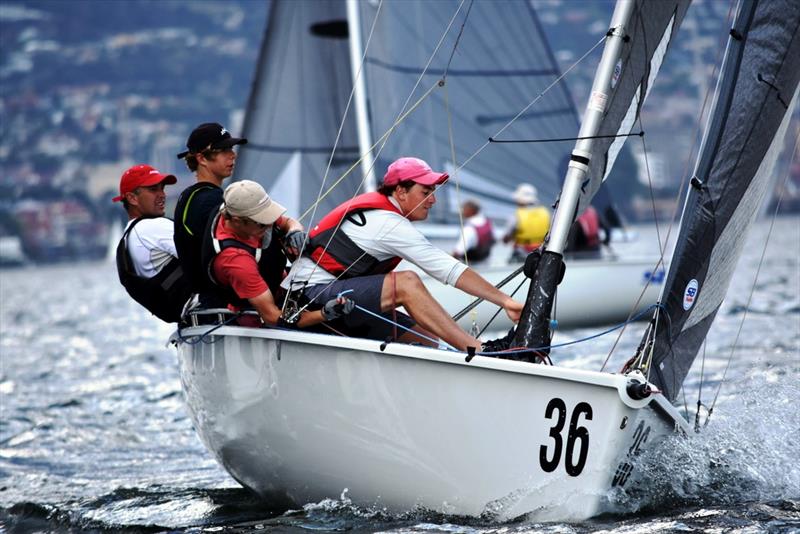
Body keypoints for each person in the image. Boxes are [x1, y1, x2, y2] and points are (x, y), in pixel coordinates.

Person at [283, 157, 524, 353]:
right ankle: (479, 351)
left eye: (433, 191)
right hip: (303, 299)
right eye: (425, 192)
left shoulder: (387, 215)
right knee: (406, 283)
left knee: (428, 339)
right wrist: (505, 301)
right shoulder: (388, 223)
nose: (433, 199)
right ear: (400, 191)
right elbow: (447, 269)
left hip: (329, 294)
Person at [173, 122, 305, 302]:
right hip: (239, 305)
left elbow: (284, 222)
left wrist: (294, 230)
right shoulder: (209, 201)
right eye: (224, 150)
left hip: (241, 298)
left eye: (232, 148)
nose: (233, 155)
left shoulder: (194, 196)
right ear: (202, 159)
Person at [202, 180, 352, 328]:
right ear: (237, 221)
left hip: (282, 283)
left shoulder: (236, 209)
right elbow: (273, 317)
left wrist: (295, 231)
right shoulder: (236, 261)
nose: (269, 225)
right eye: (262, 222)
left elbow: (287, 222)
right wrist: (324, 313)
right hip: (260, 314)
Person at [114, 164, 192, 322]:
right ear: (132, 198)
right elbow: (207, 255)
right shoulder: (151, 227)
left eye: (162, 188)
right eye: (153, 189)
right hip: (209, 311)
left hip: (189, 318)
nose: (162, 195)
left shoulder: (129, 236)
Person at [503, 183, 550, 262]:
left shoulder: (516, 216)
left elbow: (506, 239)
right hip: (541, 251)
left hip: (522, 254)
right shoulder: (545, 212)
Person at [451, 199, 495, 263]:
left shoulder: (469, 228)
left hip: (472, 265)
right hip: (486, 262)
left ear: (471, 210)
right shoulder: (488, 223)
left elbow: (459, 251)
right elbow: (494, 240)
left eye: (464, 209)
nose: (462, 212)